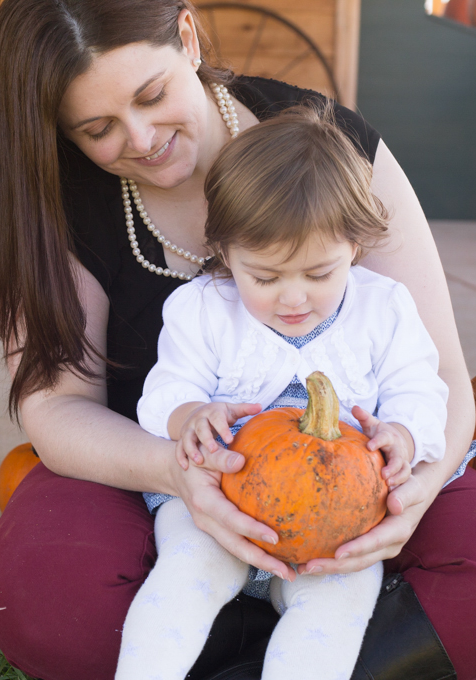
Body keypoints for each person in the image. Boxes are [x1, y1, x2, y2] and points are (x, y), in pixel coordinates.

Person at [0, 0, 476, 677]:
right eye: (98, 128)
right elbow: (55, 406)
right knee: (44, 595)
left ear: (187, 35)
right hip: (157, 477)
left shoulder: (330, 152)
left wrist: (408, 501)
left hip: (356, 492)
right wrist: (174, 469)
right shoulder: (56, 194)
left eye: (152, 94)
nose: (141, 138)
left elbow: (440, 384)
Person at [117, 105, 449, 680]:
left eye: (319, 274)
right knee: (185, 578)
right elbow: (163, 390)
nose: (293, 299)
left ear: (355, 245)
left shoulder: (384, 310)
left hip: (336, 525)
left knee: (338, 607)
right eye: (265, 277)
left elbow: (421, 389)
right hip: (215, 508)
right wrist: (191, 414)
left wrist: (405, 432)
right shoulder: (203, 310)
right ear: (225, 253)